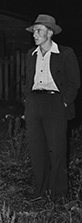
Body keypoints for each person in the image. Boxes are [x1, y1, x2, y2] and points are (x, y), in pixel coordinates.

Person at [22, 14, 79, 202]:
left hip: (55, 103)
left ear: (50, 32)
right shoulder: (31, 55)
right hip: (34, 104)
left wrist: (63, 103)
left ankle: (58, 194)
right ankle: (40, 191)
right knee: (37, 149)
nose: (34, 35)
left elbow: (74, 83)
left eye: (38, 31)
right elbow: (26, 82)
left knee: (57, 149)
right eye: (33, 31)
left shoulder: (65, 53)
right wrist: (27, 102)